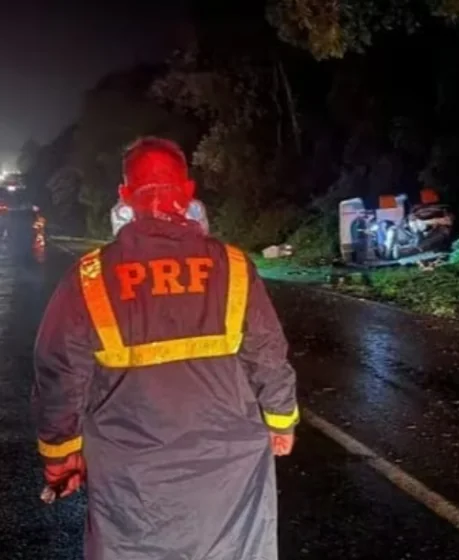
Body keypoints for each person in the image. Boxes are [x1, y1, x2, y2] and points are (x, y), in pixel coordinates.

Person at [32, 137, 299, 559]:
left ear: (124, 196)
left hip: (132, 482)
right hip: (227, 474)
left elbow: (60, 372)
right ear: (188, 192)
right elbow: (267, 353)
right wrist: (281, 420)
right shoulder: (233, 266)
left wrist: (60, 453)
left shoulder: (90, 277)